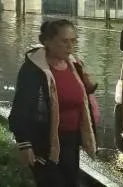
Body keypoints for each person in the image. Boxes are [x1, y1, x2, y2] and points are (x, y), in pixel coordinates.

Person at [8, 20, 97, 187]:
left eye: (73, 41)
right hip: (44, 143)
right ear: (47, 41)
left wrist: (88, 87)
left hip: (71, 142)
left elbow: (80, 99)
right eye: (64, 41)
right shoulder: (34, 70)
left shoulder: (75, 65)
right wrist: (24, 143)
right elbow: (20, 109)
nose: (70, 46)